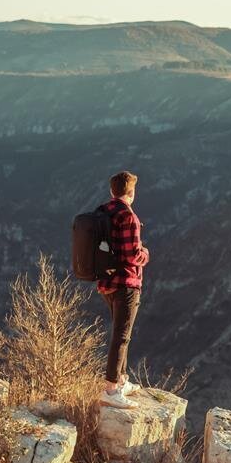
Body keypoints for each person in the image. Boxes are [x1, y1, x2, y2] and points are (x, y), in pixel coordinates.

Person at [97, 171, 150, 409]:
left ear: (112, 191)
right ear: (132, 192)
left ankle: (121, 380)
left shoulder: (104, 211)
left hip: (106, 282)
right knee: (121, 336)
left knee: (121, 333)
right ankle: (110, 388)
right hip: (126, 282)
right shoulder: (128, 216)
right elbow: (132, 255)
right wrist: (146, 254)